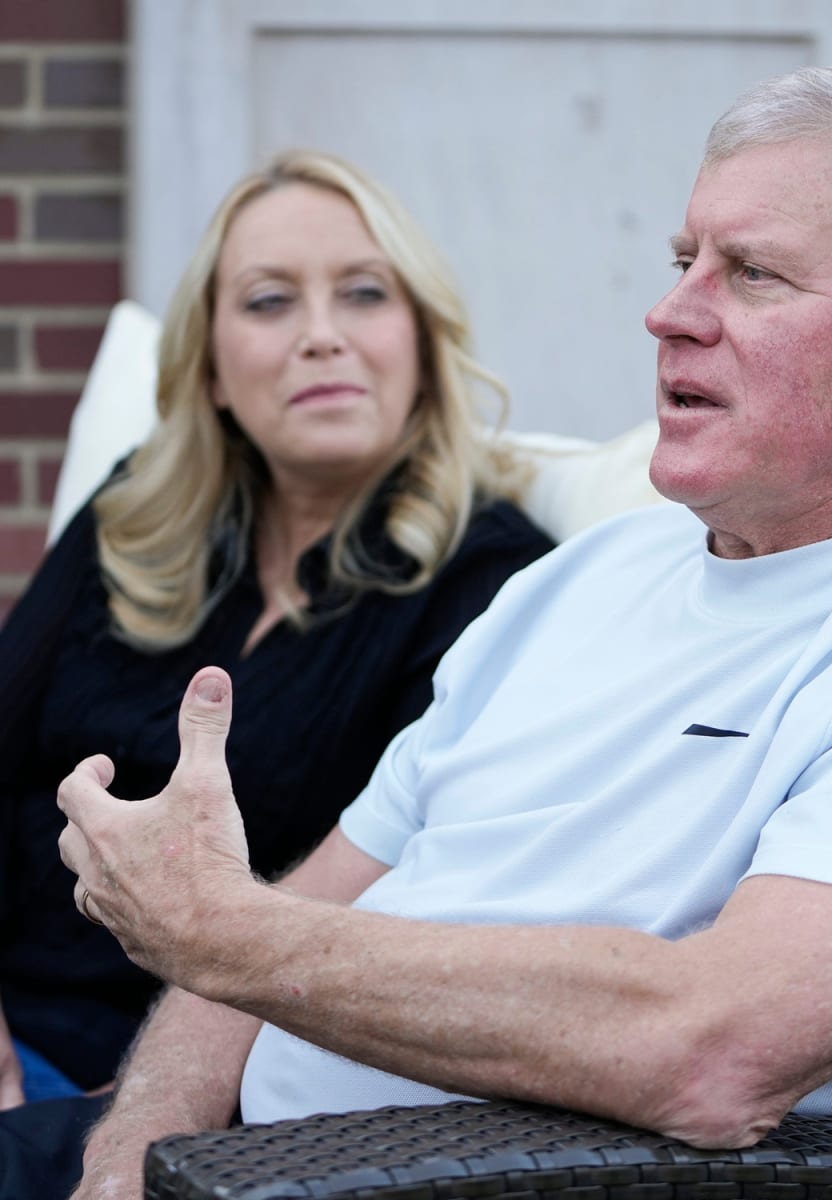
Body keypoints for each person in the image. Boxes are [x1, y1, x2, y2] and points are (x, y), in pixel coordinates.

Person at [46, 64, 832, 1200]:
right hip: (198, 1166)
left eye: (752, 274)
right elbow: (286, 917)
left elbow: (716, 1048)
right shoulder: (584, 580)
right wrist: (131, 1154)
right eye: (683, 263)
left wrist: (218, 932)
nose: (670, 313)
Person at [0, 150, 553, 1109]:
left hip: (209, 1095)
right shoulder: (136, 515)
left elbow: (402, 919)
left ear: (421, 343)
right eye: (268, 302)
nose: (321, 337)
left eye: (365, 294)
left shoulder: (499, 584)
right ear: (209, 368)